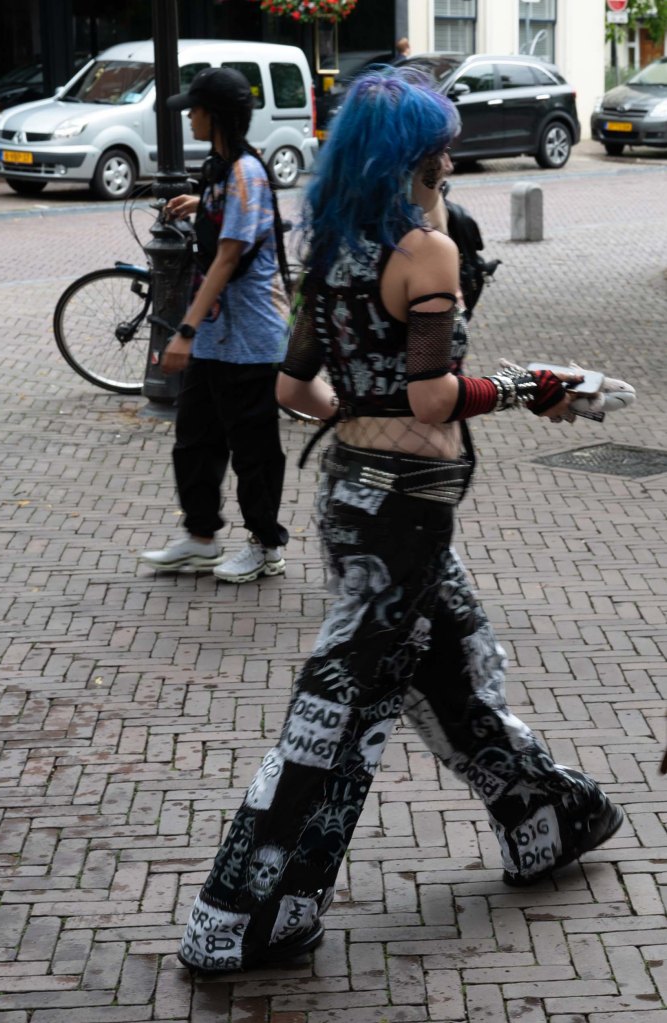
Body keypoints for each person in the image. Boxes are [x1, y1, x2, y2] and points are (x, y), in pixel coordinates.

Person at [177, 65, 623, 976]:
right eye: (441, 149)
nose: (450, 162)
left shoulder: (336, 248)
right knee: (335, 707)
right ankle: (240, 915)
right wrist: (534, 385)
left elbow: (294, 387)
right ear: (418, 156)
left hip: (350, 494)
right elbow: (432, 397)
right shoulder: (426, 253)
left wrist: (363, 411)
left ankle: (548, 816)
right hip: (406, 513)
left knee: (452, 663)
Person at [140, 67, 290, 583]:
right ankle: (200, 539)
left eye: (195, 109)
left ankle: (266, 546)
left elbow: (227, 258)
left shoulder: (246, 173)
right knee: (195, 440)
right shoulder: (221, 171)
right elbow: (223, 216)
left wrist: (184, 330)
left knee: (253, 450)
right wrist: (197, 201)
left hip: (249, 337)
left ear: (216, 115)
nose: (189, 117)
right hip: (216, 336)